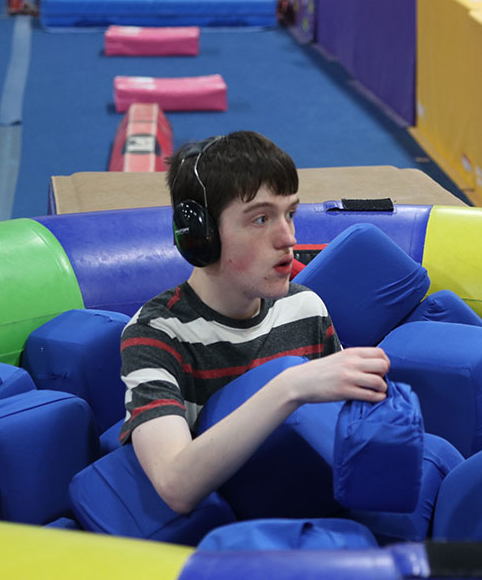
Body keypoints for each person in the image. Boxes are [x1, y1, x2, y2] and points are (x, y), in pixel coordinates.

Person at [119, 131, 390, 515]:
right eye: (261, 219)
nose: (288, 238)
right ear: (201, 237)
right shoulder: (157, 333)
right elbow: (174, 484)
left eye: (290, 213)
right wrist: (291, 387)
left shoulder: (305, 308)